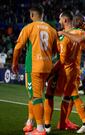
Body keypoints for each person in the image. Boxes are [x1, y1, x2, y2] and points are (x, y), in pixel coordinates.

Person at [12, 5, 58, 135]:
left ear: (32, 15)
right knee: (34, 94)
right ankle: (29, 122)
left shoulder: (29, 27)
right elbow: (56, 50)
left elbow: (17, 47)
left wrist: (14, 63)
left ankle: (40, 129)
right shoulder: (51, 29)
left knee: (35, 96)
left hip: (34, 66)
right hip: (47, 66)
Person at [44, 11, 85, 134]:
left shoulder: (65, 36)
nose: (59, 21)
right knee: (69, 96)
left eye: (60, 19)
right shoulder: (78, 33)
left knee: (51, 94)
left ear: (65, 20)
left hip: (64, 70)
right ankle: (62, 123)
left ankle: (47, 125)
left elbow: (62, 60)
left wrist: (50, 73)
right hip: (74, 69)